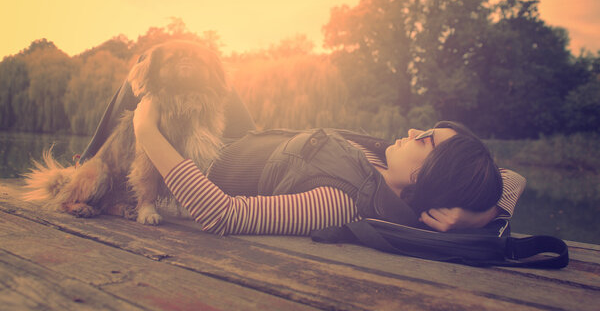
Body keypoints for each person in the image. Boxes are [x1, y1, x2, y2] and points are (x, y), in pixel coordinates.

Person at [86, 82, 526, 236]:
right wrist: (484, 213)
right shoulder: (387, 166)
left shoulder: (342, 202)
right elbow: (511, 177)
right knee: (197, 58)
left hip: (212, 157)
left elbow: (223, 215)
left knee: (145, 78)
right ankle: (85, 170)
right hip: (247, 136)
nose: (414, 131)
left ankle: (83, 171)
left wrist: (147, 132)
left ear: (423, 176)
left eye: (426, 140)